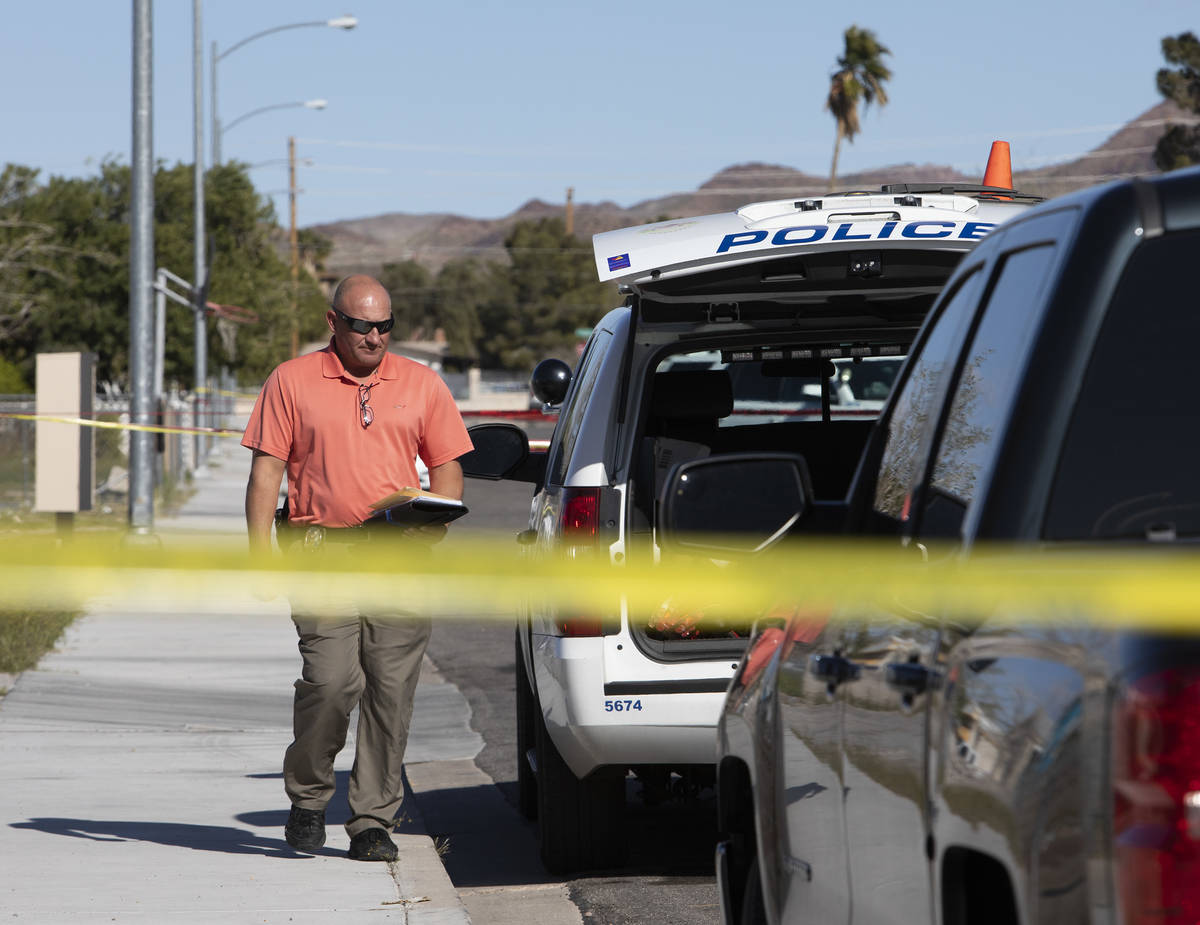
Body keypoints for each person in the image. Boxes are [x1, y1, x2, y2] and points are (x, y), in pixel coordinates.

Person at [242, 274, 474, 861]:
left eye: (384, 326)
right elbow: (267, 472)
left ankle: (372, 819)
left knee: (391, 691)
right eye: (361, 325)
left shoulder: (421, 384)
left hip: (399, 557)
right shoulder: (291, 381)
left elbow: (448, 469)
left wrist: (429, 523)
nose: (373, 337)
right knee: (331, 682)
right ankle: (309, 797)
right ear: (333, 322)